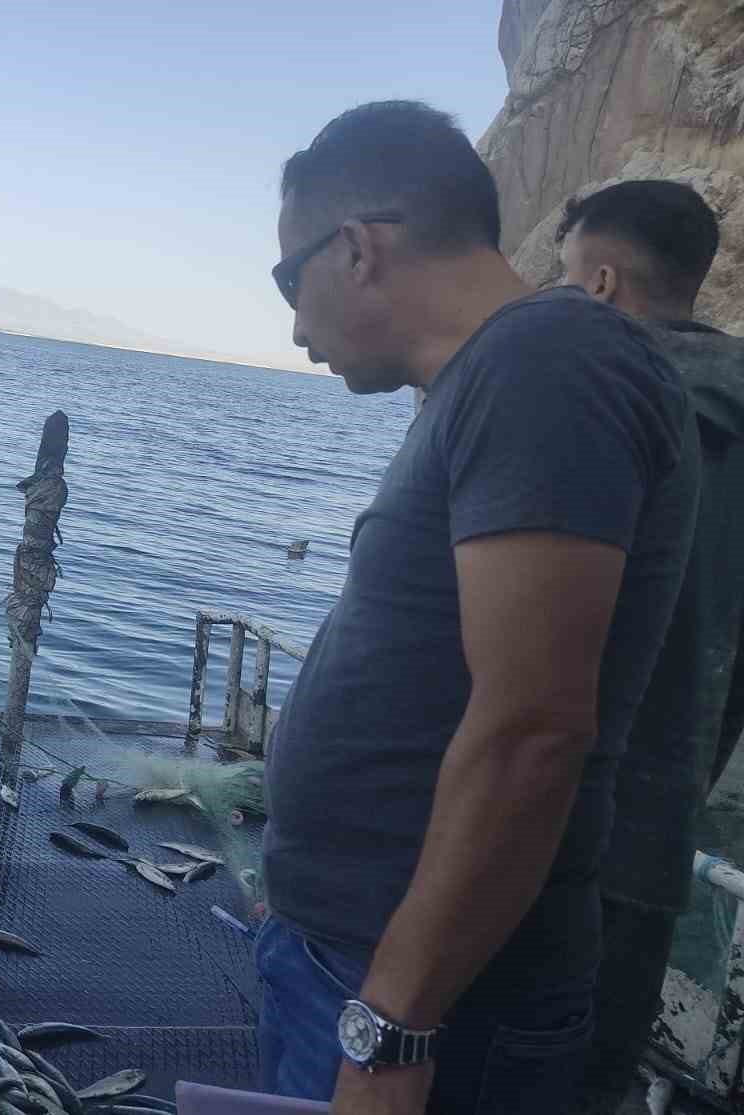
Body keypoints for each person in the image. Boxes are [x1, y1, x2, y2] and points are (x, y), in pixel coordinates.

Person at [257, 101, 699, 1114]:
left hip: (431, 1009)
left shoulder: (546, 360)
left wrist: (393, 1023)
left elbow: (530, 728)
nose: (295, 325)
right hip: (360, 961)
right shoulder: (496, 375)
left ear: (358, 248)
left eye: (289, 280)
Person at [555, 179, 744, 1111]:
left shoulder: (596, 404)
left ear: (598, 282)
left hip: (542, 830)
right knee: (589, 1080)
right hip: (658, 837)